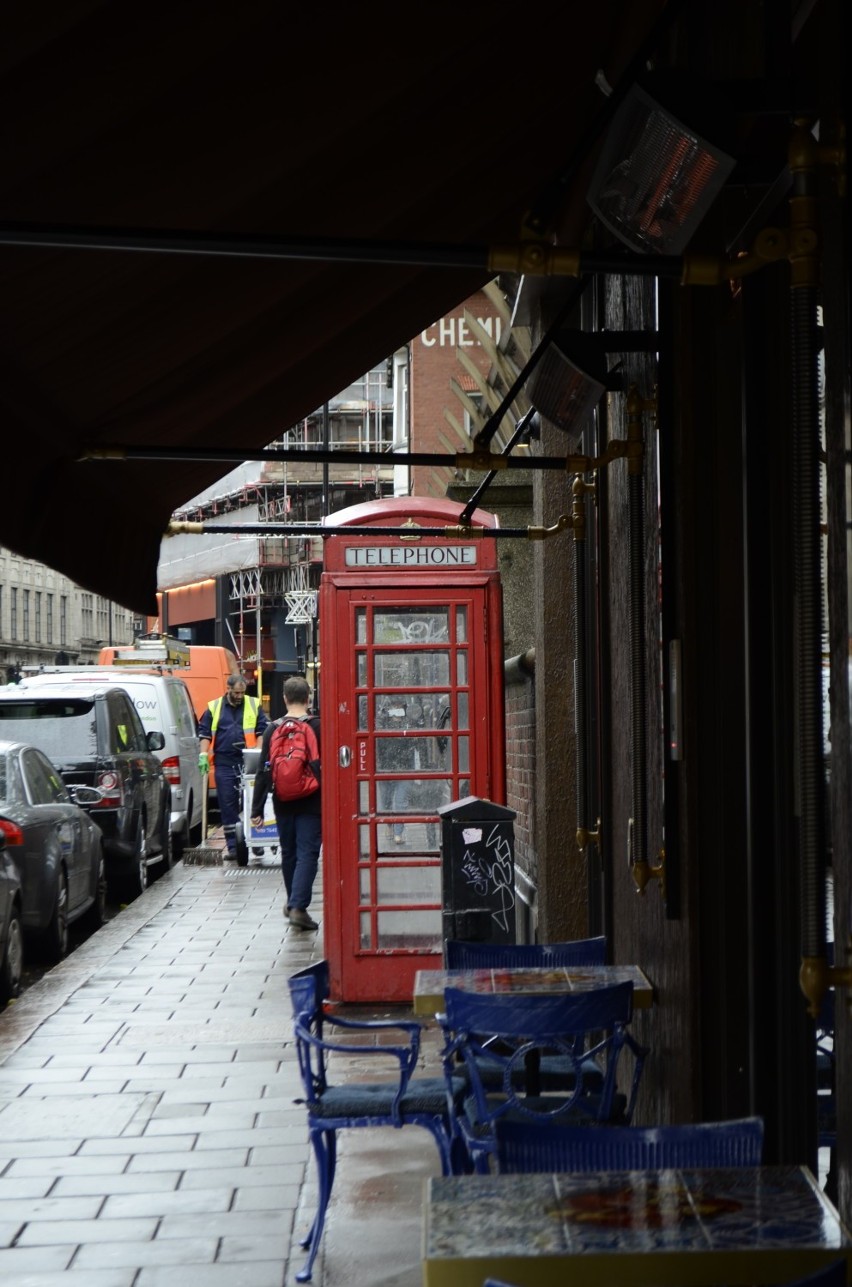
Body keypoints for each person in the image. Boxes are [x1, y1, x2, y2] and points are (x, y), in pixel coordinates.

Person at [251, 675, 321, 930]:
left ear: (284, 699)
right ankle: (298, 907)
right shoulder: (317, 726)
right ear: (308, 698)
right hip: (312, 799)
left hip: (282, 799)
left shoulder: (272, 729)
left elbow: (263, 769)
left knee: (289, 852)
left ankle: (293, 901)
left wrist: (256, 809)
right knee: (308, 853)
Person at [197, 673, 269, 860]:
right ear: (228, 689)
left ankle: (256, 842)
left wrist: (258, 753)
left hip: (248, 761)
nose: (239, 696)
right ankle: (234, 847)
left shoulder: (253, 704)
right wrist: (203, 754)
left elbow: (262, 731)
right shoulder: (214, 708)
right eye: (236, 692)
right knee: (228, 805)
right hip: (224, 762)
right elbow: (205, 734)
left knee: (252, 801)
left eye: (242, 692)